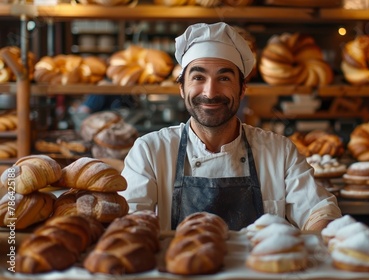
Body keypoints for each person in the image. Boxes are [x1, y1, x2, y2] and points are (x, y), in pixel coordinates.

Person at [120, 22, 342, 233]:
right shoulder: (150, 151)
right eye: (198, 77)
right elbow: (129, 220)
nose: (210, 92)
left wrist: (320, 233)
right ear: (181, 88)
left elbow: (320, 210)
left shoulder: (279, 152)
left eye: (224, 78)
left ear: (242, 89)